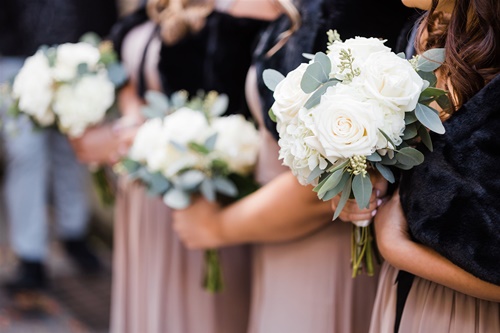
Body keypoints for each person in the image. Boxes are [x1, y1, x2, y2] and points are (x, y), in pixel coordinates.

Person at [172, 1, 413, 332]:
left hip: (320, 242)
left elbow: (330, 178)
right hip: (274, 232)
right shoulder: (296, 12)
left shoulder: (348, 13)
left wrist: (216, 227)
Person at [69, 1, 267, 332]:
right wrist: (123, 121)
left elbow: (230, 108)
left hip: (195, 192)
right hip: (142, 191)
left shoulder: (241, 15)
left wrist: (132, 138)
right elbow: (127, 70)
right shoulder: (152, 7)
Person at [368, 0, 500, 332]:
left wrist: (395, 246)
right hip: (406, 294)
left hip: (475, 314)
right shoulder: (420, 32)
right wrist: (373, 179)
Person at [0, 0, 117, 294]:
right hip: (16, 60)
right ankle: (30, 255)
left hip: (76, 61)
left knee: (71, 152)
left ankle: (74, 234)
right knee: (25, 155)